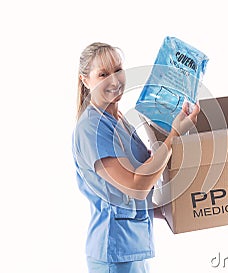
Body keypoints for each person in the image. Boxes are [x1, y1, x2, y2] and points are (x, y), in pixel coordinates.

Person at [72, 42, 199, 273]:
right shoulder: (92, 128)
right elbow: (136, 187)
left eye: (118, 70)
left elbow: (137, 188)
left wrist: (181, 207)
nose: (114, 80)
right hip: (114, 252)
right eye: (103, 74)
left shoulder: (119, 118)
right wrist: (173, 136)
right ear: (85, 80)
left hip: (134, 247)